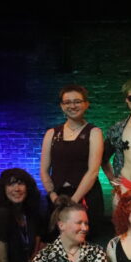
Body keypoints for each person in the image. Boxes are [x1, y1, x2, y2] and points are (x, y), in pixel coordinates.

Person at [40, 84, 104, 238]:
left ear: (86, 104)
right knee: (57, 241)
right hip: (57, 198)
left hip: (86, 196)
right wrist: (53, 195)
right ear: (62, 106)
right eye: (67, 102)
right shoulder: (51, 133)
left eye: (77, 101)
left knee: (85, 242)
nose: (72, 106)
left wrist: (73, 201)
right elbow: (43, 170)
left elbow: (93, 171)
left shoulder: (94, 132)